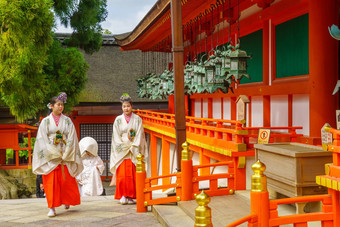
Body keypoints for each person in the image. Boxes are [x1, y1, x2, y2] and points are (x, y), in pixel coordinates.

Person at [32, 92, 83, 217]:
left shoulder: (67, 121)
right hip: (51, 156)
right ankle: (52, 207)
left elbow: (72, 137)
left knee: (66, 181)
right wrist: (52, 152)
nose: (60, 107)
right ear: (51, 106)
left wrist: (67, 152)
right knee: (51, 183)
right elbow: (41, 139)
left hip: (65, 154)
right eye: (58, 105)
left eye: (62, 105)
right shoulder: (45, 122)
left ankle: (67, 200)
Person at [109, 93, 148, 205]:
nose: (126, 108)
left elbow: (140, 134)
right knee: (122, 175)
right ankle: (122, 195)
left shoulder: (137, 119)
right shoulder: (118, 120)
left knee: (132, 174)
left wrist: (133, 146)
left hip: (133, 148)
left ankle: (131, 196)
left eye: (128, 106)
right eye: (124, 106)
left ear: (132, 106)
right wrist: (123, 146)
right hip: (122, 149)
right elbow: (116, 136)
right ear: (122, 107)